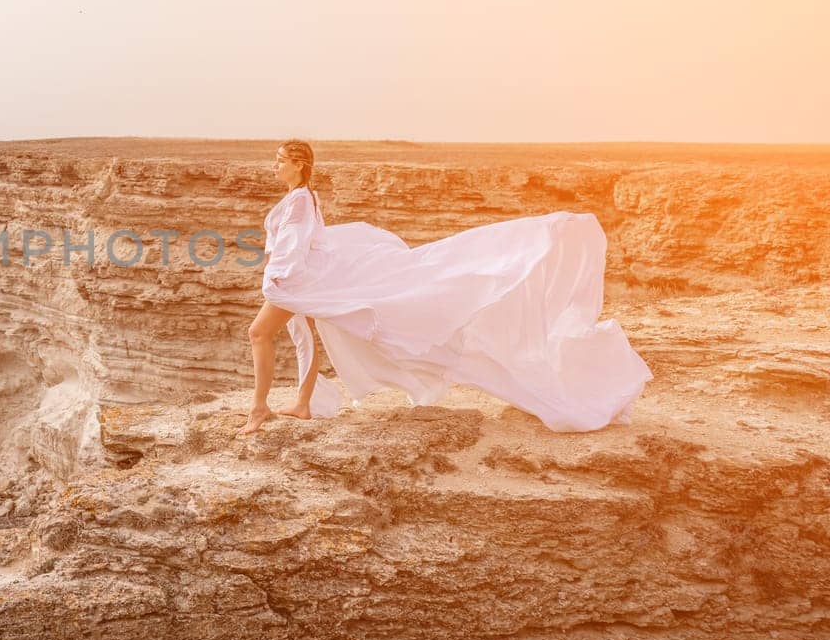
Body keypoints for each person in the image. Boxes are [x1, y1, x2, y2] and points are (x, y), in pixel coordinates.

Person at [238, 139, 652, 437]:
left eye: (279, 160)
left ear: (298, 164)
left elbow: (294, 244)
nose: (273, 166)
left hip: (295, 280)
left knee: (261, 333)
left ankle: (259, 409)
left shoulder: (297, 201)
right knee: (303, 332)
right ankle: (303, 404)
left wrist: (277, 278)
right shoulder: (305, 196)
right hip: (304, 279)